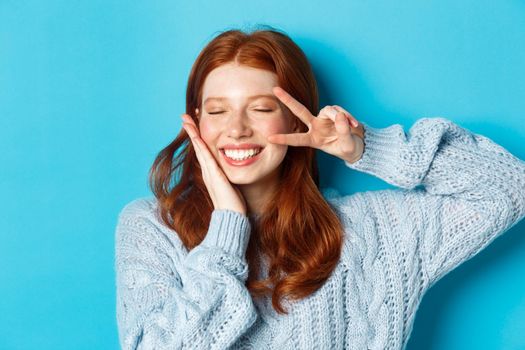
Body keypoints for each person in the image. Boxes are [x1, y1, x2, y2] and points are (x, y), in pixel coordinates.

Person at [114, 27, 525, 350]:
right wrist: (226, 230)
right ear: (198, 120)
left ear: (296, 119)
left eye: (260, 109)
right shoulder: (153, 228)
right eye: (218, 111)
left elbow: (509, 188)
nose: (236, 129)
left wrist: (368, 148)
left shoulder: (376, 231)